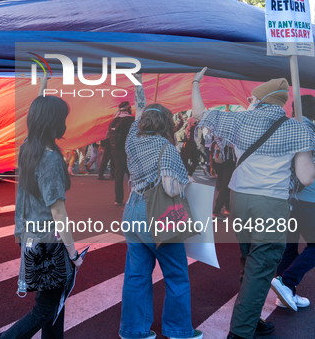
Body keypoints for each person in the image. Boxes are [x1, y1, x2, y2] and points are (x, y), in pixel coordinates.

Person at [192, 69, 315, 339]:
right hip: (270, 202)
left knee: (249, 260)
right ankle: (241, 331)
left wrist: (196, 82)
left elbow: (200, 114)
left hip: (239, 198)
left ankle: (252, 317)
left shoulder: (240, 120)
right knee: (262, 265)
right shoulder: (297, 127)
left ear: (259, 99)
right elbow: (306, 175)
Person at [0, 95, 83, 339]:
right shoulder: (51, 159)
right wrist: (73, 253)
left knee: (54, 304)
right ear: (52, 121)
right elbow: (58, 211)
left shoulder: (28, 148)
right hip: (49, 241)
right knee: (46, 308)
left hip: (31, 235)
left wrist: (43, 90)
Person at [120, 103, 203, 339]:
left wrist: (140, 97)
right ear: (167, 124)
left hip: (132, 211)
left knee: (137, 275)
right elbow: (171, 187)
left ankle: (133, 330)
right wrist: (185, 180)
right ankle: (178, 330)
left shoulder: (131, 141)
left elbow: (136, 118)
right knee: (176, 274)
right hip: (156, 215)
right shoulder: (166, 148)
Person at [272, 94, 315, 311]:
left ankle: (285, 295)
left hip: (285, 198)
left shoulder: (284, 130)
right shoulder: (310, 132)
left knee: (289, 247)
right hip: (307, 199)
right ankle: (286, 282)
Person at [107, 101, 135, 205]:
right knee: (132, 174)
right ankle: (135, 197)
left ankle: (118, 198)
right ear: (128, 109)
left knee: (118, 173)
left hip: (115, 149)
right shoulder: (131, 120)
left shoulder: (115, 120)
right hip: (128, 150)